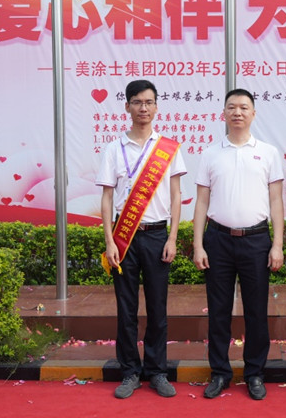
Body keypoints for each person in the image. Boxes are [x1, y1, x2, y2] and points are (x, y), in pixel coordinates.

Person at [95, 80, 187, 399]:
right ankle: (130, 372)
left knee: (158, 308)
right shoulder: (113, 148)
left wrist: (172, 238)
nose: (143, 108)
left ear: (156, 107)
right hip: (125, 238)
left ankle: (157, 371)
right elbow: (107, 198)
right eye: (137, 102)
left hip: (157, 235)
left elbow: (176, 196)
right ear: (127, 107)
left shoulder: (168, 149)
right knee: (127, 309)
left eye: (148, 102)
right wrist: (110, 241)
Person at [192, 88, 285, 401]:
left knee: (256, 312)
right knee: (218, 311)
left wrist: (277, 244)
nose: (237, 113)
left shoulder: (268, 153)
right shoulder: (210, 153)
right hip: (217, 240)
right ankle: (220, 373)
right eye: (232, 107)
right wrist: (198, 245)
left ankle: (255, 373)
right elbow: (202, 200)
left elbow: (276, 201)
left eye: (244, 107)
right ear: (223, 113)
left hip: (256, 241)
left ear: (253, 114)